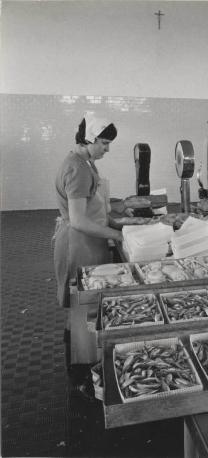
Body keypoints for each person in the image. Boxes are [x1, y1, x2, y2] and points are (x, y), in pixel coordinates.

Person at [53, 112, 122, 383]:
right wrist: (117, 235)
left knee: (82, 309)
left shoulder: (84, 162)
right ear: (90, 139)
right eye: (104, 143)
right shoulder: (78, 168)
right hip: (78, 245)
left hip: (86, 243)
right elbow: (79, 220)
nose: (107, 149)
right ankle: (80, 375)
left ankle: (80, 366)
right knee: (81, 310)